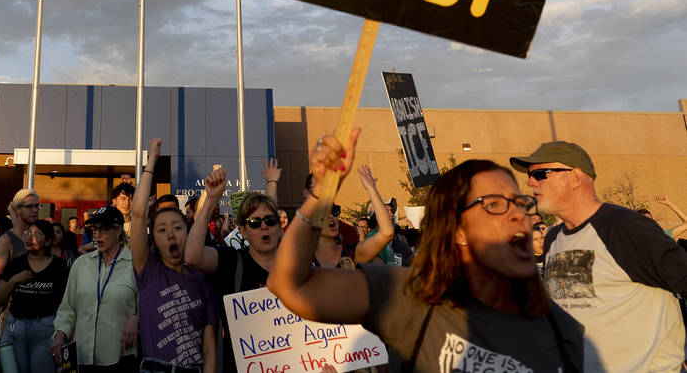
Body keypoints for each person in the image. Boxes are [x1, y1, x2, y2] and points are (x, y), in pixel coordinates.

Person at [269, 129, 584, 372]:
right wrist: (322, 193)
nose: (519, 214)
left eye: (521, 202)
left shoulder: (561, 329)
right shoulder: (412, 297)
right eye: (494, 205)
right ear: (457, 229)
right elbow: (291, 286)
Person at [511, 140, 687, 372]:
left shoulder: (625, 226)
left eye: (541, 174)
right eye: (531, 175)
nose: (530, 182)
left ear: (575, 177)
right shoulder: (553, 238)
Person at [185, 166, 282, 373]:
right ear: (243, 232)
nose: (264, 226)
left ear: (279, 228)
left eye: (270, 221)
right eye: (255, 222)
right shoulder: (232, 261)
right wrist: (211, 199)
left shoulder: (296, 269)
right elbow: (192, 256)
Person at [130, 140, 216, 372]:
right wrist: (152, 161)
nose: (170, 234)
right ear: (153, 240)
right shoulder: (147, 271)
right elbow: (137, 215)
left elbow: (209, 349)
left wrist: (211, 198)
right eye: (161, 229)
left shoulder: (202, 280)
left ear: (188, 234)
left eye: (177, 228)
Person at [51, 205, 138, 372]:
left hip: (119, 358)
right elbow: (68, 308)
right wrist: (59, 337)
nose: (97, 235)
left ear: (118, 230)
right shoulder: (81, 264)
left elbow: (147, 308)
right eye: (94, 230)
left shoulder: (134, 266)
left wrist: (136, 318)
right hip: (83, 357)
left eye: (103, 230)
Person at [0, 220, 69, 373]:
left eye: (37, 234)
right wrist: (14, 280)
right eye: (28, 233)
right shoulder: (16, 264)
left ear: (48, 241)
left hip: (46, 331)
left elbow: (67, 304)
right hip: (16, 330)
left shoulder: (59, 267)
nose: (29, 238)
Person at [0, 188, 39, 289]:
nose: (35, 210)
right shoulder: (6, 240)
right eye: (29, 206)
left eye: (37, 206)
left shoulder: (40, 237)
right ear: (17, 209)